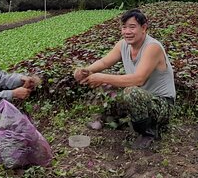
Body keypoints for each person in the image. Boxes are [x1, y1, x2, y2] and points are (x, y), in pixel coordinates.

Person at [74, 8, 176, 149]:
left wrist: (102, 77)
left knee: (130, 92)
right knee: (108, 85)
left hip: (161, 104)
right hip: (141, 98)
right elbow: (104, 63)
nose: (127, 32)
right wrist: (86, 71)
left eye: (132, 27)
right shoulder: (123, 45)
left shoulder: (152, 48)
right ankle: (105, 119)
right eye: (124, 27)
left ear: (144, 28)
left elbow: (139, 79)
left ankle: (148, 132)